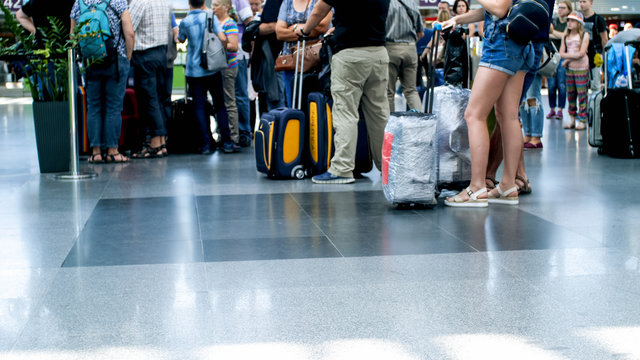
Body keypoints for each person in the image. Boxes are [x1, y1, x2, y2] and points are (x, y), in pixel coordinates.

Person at [441, 0, 534, 207]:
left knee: (474, 115)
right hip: (518, 43)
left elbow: (500, 8)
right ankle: (508, 185)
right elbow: (492, 9)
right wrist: (458, 19)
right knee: (508, 116)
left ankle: (476, 188)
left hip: (501, 47)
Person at [295, 0, 390, 184]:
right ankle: (387, 166)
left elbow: (318, 11)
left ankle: (342, 168)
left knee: (345, 112)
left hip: (350, 55)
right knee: (379, 115)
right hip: (378, 53)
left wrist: (305, 30)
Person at [70, 0, 135, 163]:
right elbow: (130, 33)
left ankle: (96, 152)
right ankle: (113, 150)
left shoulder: (78, 4)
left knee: (93, 106)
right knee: (113, 106)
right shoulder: (118, 2)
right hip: (115, 61)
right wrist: (127, 58)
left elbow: (72, 37)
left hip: (91, 61)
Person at [178, 0, 228, 154]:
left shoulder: (185, 21)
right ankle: (227, 142)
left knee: (199, 106)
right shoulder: (210, 16)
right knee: (220, 104)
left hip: (194, 71)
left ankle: (206, 144)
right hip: (212, 68)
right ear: (203, 2)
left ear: (189, 3)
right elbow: (223, 38)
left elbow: (181, 39)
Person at [129, 0, 171, 158]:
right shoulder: (164, 2)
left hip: (144, 55)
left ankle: (154, 143)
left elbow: (129, 27)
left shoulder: (140, 2)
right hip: (161, 53)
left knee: (149, 100)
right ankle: (161, 142)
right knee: (158, 99)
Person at [276, 0, 331, 108]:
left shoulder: (320, 1)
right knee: (293, 102)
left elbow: (322, 27)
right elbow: (279, 32)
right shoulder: (287, 2)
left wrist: (294, 27)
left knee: (318, 103)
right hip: (292, 62)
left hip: (316, 61)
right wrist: (306, 29)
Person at [214, 0, 243, 153]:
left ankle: (234, 137)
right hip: (218, 67)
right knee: (221, 103)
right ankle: (222, 134)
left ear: (226, 7)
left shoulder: (230, 23)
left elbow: (234, 46)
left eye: (216, 5)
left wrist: (218, 42)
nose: (213, 8)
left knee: (229, 102)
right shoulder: (215, 22)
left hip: (228, 67)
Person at [385, 0, 424, 111]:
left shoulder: (385, 3)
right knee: (411, 91)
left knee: (388, 92)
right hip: (410, 48)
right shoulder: (412, 3)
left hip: (390, 48)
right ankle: (420, 123)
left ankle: (391, 126)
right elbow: (421, 33)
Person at [231, 0, 255, 148]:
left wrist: (251, 50)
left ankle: (244, 132)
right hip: (224, 57)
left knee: (240, 94)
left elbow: (250, 25)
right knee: (230, 97)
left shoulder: (240, 1)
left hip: (239, 54)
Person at [560, 11, 590, 130]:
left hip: (581, 68)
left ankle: (582, 120)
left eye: (572, 20)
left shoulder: (584, 35)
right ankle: (572, 119)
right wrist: (570, 57)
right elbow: (561, 52)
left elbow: (582, 53)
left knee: (582, 95)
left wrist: (567, 60)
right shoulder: (565, 35)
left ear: (578, 23)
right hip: (570, 69)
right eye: (568, 20)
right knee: (571, 95)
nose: (569, 23)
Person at [547, 0, 571, 121]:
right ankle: (552, 109)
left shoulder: (569, 23)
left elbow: (565, 37)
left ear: (568, 10)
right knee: (551, 85)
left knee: (561, 84)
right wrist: (559, 35)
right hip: (551, 56)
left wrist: (555, 33)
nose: (560, 10)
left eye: (563, 7)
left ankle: (560, 110)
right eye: (559, 7)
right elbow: (548, 34)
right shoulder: (553, 21)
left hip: (563, 58)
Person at [579, 0, 607, 92]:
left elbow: (604, 39)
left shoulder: (598, 19)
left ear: (591, 3)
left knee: (596, 85)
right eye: (580, 2)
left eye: (584, 1)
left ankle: (596, 106)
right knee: (582, 85)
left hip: (596, 55)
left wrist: (604, 55)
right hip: (582, 56)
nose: (581, 4)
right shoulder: (579, 19)